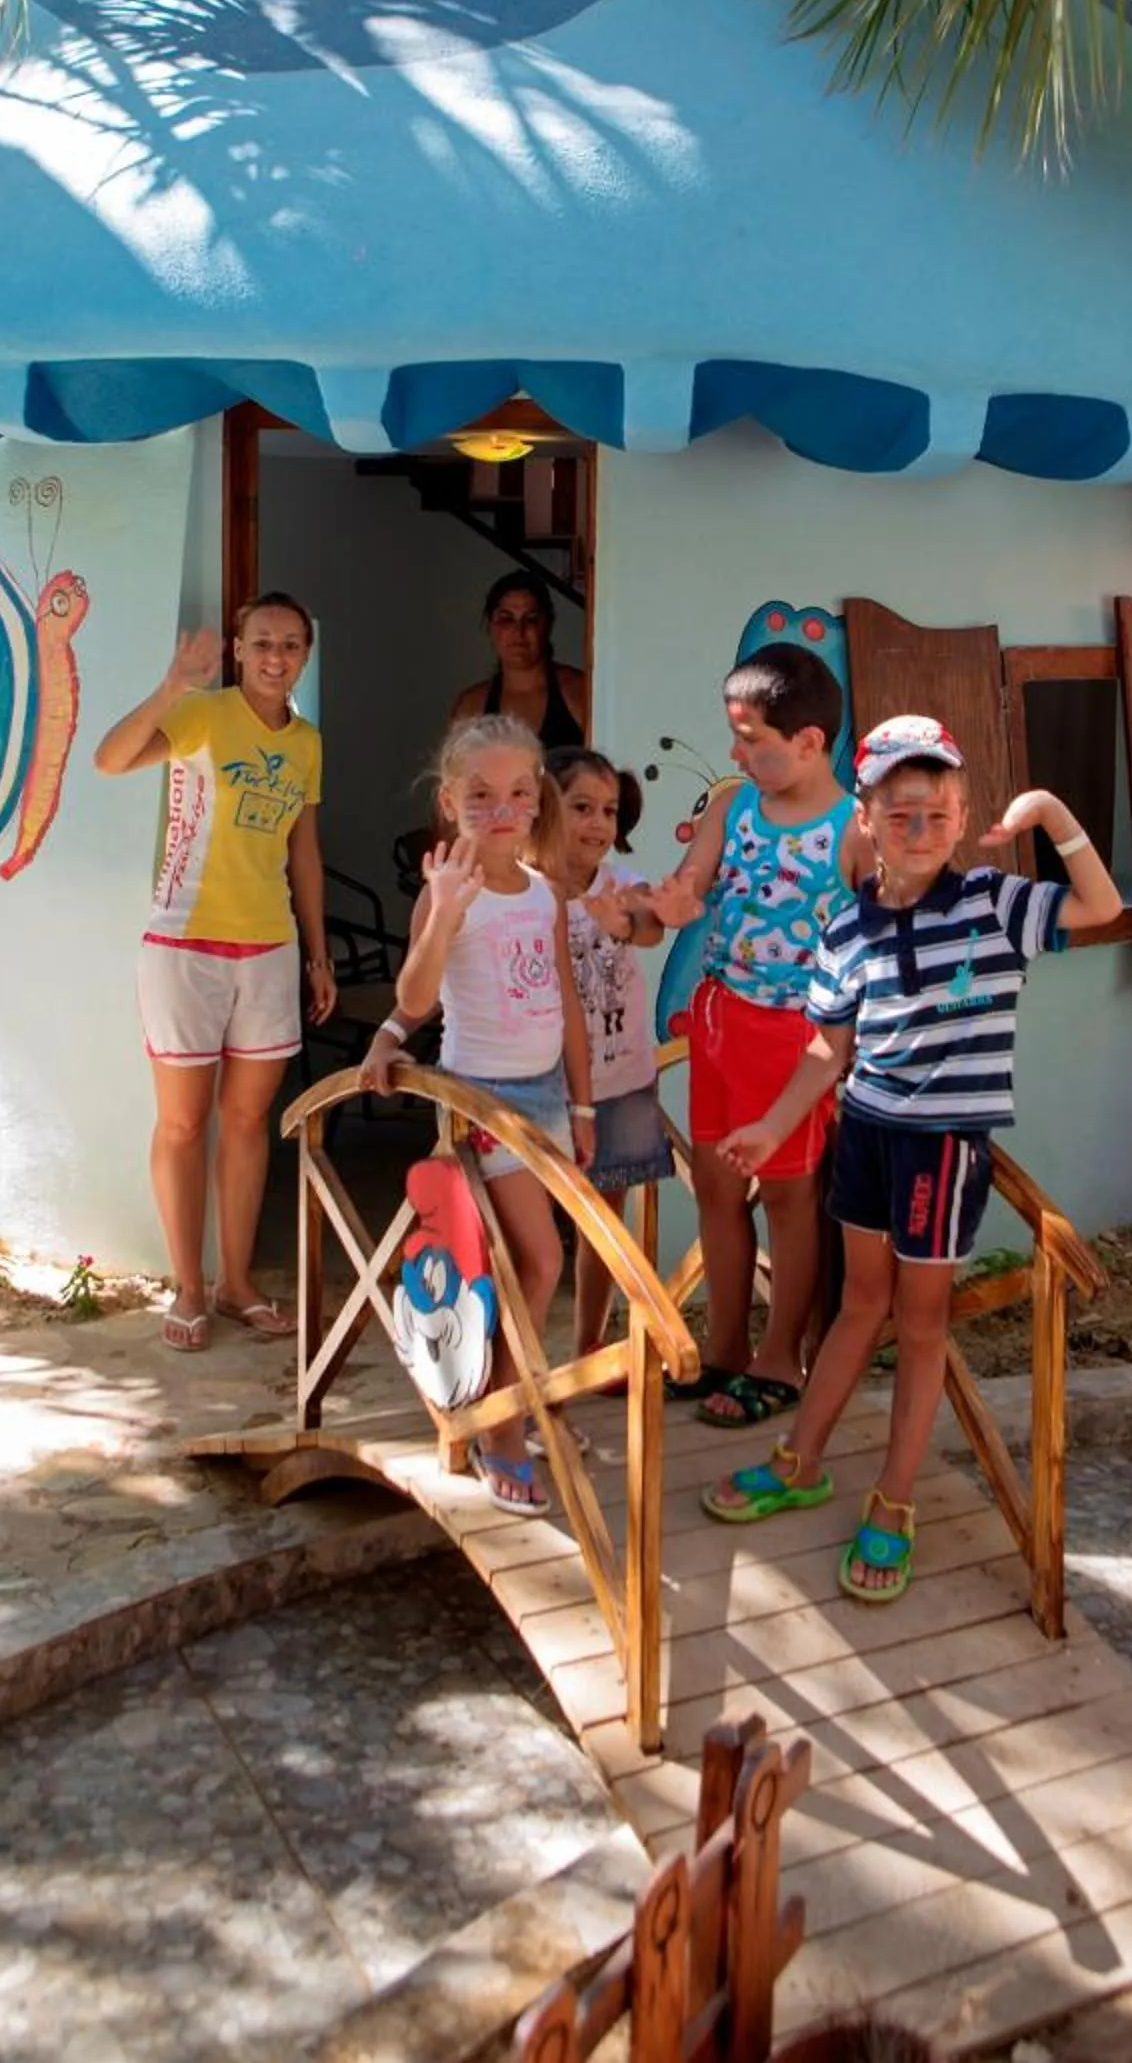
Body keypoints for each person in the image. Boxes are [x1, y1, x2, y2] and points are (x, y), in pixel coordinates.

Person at [699, 715, 1126, 1604]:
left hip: (942, 1150)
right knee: (858, 1306)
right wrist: (776, 1130)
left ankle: (894, 1501)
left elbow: (1102, 907)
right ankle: (800, 1460)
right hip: (865, 1134)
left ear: (963, 816)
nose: (920, 830)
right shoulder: (845, 933)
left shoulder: (995, 906)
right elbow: (828, 1049)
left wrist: (1047, 813)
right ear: (867, 822)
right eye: (900, 815)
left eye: (936, 813)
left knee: (920, 1323)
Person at [359, 714, 595, 1511]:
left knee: (527, 1264)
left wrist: (584, 1103)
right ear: (451, 801)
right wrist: (445, 912)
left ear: (538, 801)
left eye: (519, 793)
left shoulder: (542, 895)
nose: (503, 808)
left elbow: (563, 998)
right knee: (539, 1261)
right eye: (482, 795)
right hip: (481, 1102)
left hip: (547, 1101)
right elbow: (417, 999)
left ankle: (517, 1401)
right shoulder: (445, 894)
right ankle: (500, 1425)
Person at [93, 592, 336, 1352]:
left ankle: (235, 1284)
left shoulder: (307, 743)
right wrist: (171, 689)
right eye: (262, 642)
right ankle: (188, 1286)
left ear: (306, 652)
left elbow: (304, 851)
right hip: (184, 947)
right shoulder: (203, 714)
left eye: (291, 644)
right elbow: (108, 760)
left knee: (246, 1122)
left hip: (269, 949)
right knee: (183, 1122)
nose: (276, 657)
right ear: (238, 649)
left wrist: (319, 953)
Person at [645, 641, 856, 1430]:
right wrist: (668, 904)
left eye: (751, 738)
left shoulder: (852, 830)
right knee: (717, 1188)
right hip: (719, 1019)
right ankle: (725, 1345)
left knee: (794, 1202)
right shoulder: (734, 805)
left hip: (798, 1039)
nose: (735, 752)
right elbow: (693, 884)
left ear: (808, 742)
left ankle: (781, 1358)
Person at [548, 746, 674, 1356]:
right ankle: (506, 1358)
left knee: (601, 1221)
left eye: (609, 811)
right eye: (581, 808)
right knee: (524, 1230)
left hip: (619, 1079)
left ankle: (590, 1349)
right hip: (543, 1082)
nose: (599, 824)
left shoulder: (620, 886)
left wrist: (624, 923)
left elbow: (650, 926)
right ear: (544, 806)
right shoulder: (522, 891)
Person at [449, 566, 588, 748]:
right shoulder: (471, 707)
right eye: (507, 619)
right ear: (490, 625)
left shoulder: (578, 692)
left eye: (530, 619)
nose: (519, 631)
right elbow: (457, 772)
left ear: (547, 625)